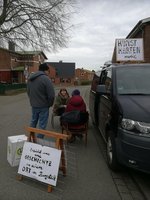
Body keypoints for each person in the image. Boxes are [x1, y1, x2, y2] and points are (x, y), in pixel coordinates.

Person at [27, 63, 55, 138]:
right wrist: (49, 104)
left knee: (33, 121)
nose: (48, 73)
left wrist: (32, 101)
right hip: (43, 106)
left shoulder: (30, 78)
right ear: (46, 70)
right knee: (42, 125)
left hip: (34, 105)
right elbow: (51, 95)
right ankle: (39, 142)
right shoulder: (46, 79)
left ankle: (30, 137)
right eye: (48, 71)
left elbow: (28, 92)